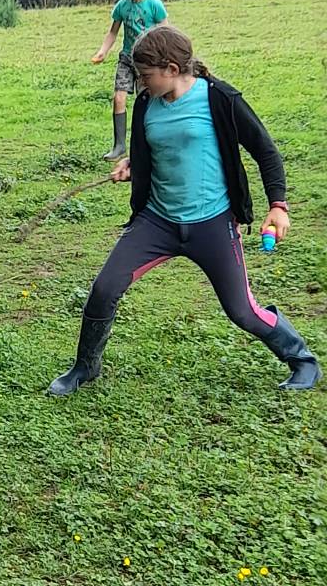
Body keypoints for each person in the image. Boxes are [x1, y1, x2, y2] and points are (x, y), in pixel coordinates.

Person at [49, 24, 320, 395]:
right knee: (103, 289)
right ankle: (85, 367)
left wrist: (278, 205)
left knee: (242, 311)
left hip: (212, 224)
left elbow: (265, 151)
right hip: (157, 222)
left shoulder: (219, 98)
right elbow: (154, 149)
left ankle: (302, 360)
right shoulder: (148, 104)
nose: (141, 85)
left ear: (172, 70)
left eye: (147, 76)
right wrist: (134, 165)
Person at [91, 0, 167, 161]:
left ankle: (149, 143)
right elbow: (113, 32)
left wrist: (163, 56)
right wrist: (102, 51)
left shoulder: (155, 6)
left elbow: (165, 32)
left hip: (147, 62)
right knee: (118, 99)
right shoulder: (122, 6)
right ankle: (119, 146)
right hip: (126, 58)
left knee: (146, 103)